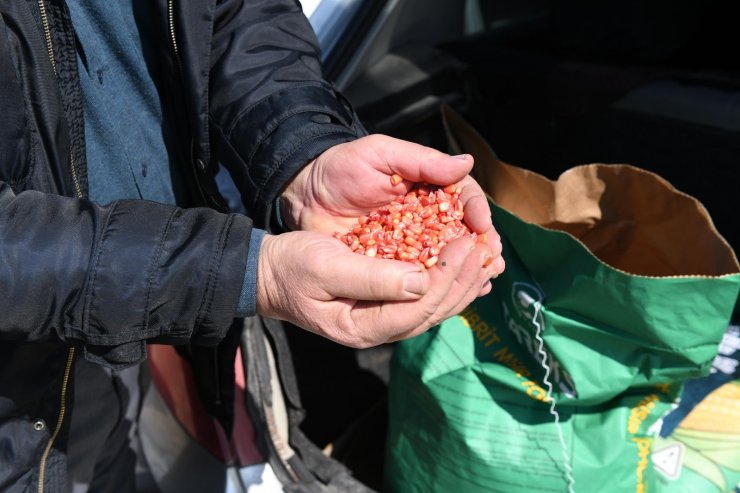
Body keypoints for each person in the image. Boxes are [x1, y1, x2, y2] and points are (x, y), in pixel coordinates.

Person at [0, 1, 505, 491]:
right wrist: (245, 272)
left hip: (155, 311)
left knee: (133, 452)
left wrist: (304, 152)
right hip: (18, 392)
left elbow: (235, 15)